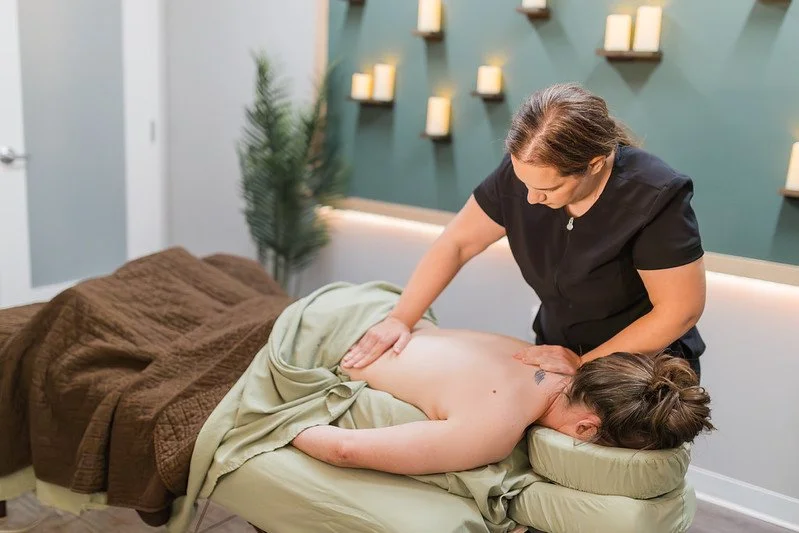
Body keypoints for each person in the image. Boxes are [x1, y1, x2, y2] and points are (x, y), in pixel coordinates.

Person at [342, 83, 707, 379]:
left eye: (548, 189)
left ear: (595, 164)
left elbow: (679, 311)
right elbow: (458, 243)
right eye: (523, 182)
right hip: (557, 350)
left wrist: (584, 364)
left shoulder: (654, 195)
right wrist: (400, 319)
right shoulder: (522, 174)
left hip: (642, 368)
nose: (530, 198)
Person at [293, 322, 713, 476]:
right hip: (325, 339)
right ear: (587, 430)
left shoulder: (550, 357)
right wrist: (285, 429)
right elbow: (344, 449)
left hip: (375, 313)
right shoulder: (494, 430)